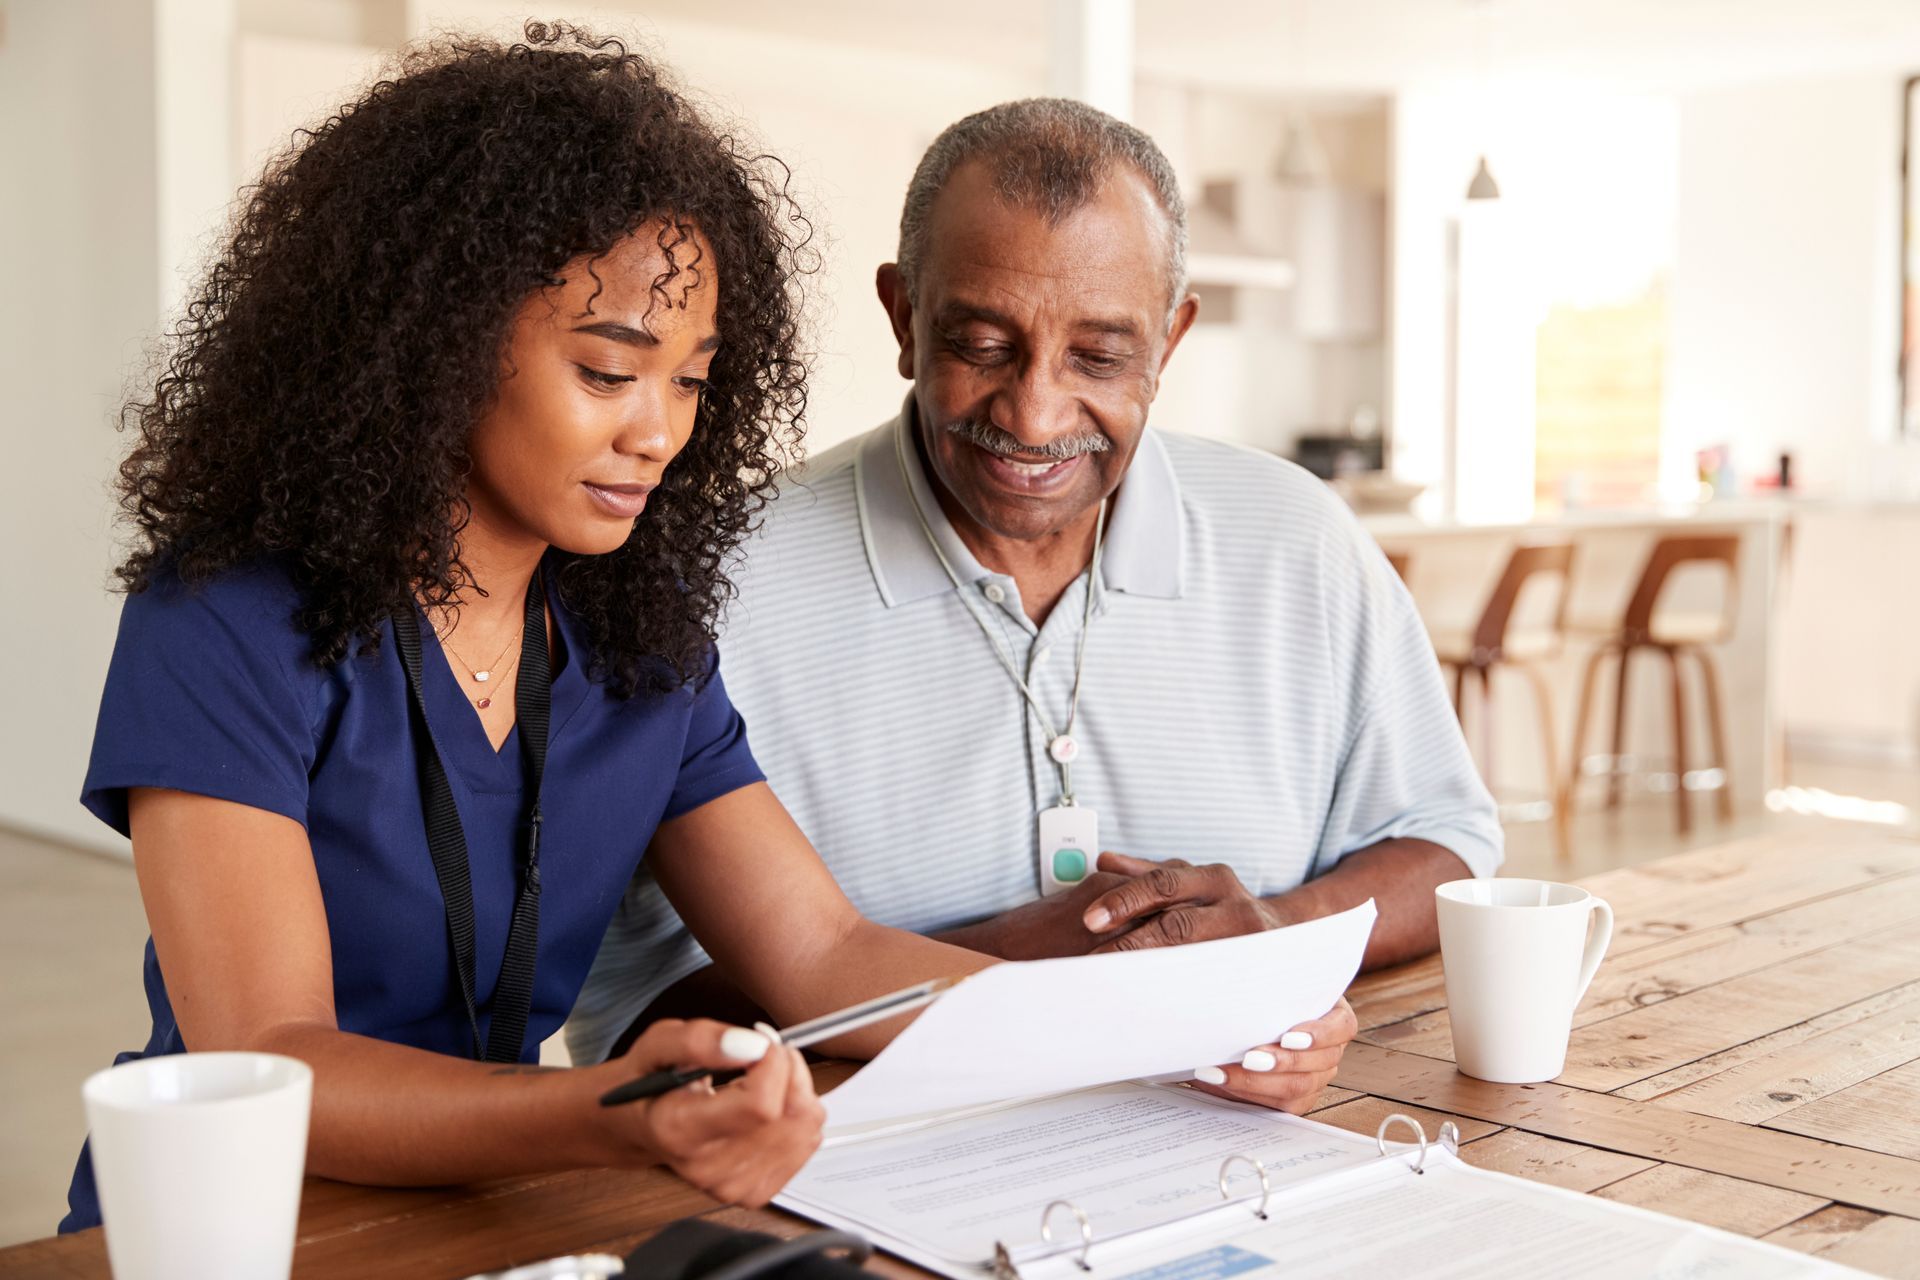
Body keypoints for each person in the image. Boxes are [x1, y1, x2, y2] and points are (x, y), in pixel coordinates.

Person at [58, 24, 1003, 1233]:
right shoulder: (223, 620)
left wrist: (1162, 1025)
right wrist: (608, 1109)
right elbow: (270, 1056)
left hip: (503, 1208)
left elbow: (823, 948)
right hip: (231, 1225)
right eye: (610, 372)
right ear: (433, 347)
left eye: (692, 379)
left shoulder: (637, 640)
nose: (661, 431)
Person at [571, 99, 1504, 1110]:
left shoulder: (1301, 538)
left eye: (1099, 357)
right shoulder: (709, 581)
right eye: (982, 344)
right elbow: (635, 1015)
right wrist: (1024, 963)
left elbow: (1446, 841)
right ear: (903, 317)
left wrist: (1268, 943)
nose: (1036, 414)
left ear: (1171, 339)